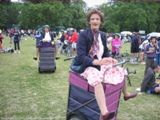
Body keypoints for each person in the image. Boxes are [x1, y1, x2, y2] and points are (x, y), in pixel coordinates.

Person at [76, 8, 137, 120]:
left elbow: (105, 52)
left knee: (121, 69)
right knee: (97, 79)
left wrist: (110, 58)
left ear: (101, 21)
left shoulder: (102, 35)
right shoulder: (83, 35)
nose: (95, 21)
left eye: (97, 19)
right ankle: (104, 112)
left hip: (100, 64)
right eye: (92, 19)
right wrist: (95, 61)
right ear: (89, 21)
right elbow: (80, 56)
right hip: (88, 65)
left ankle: (126, 94)